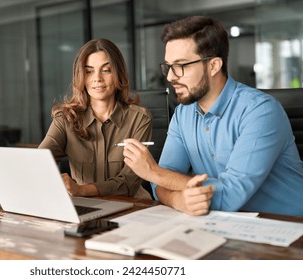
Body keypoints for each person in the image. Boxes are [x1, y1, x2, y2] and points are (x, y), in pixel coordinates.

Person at [122, 16, 303, 216]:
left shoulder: (261, 111)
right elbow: (161, 185)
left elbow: (229, 196)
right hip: (226, 225)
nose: (171, 76)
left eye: (181, 65)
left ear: (214, 66)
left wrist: (153, 172)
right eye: (168, 66)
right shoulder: (183, 114)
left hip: (288, 228)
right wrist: (177, 200)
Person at [39, 38, 152, 199]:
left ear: (118, 73)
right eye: (89, 71)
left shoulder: (139, 118)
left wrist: (82, 190)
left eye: (106, 70)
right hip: (85, 207)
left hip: (132, 206)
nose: (97, 78)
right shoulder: (65, 119)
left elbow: (129, 181)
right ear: (81, 76)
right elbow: (40, 160)